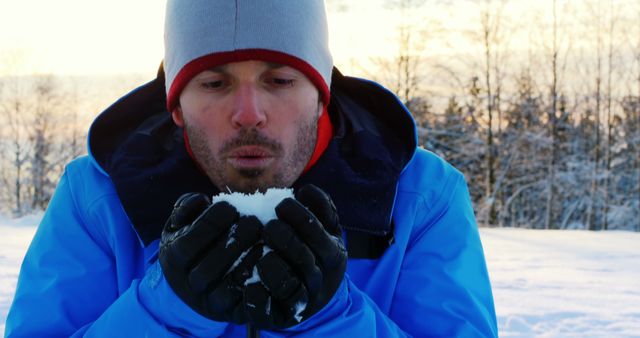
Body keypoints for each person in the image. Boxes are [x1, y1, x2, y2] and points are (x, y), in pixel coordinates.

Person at [5, 0, 498, 337]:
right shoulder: (98, 199)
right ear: (175, 105)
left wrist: (333, 319)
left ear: (321, 95)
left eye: (279, 80)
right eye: (215, 84)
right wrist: (163, 311)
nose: (248, 113)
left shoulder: (419, 199)